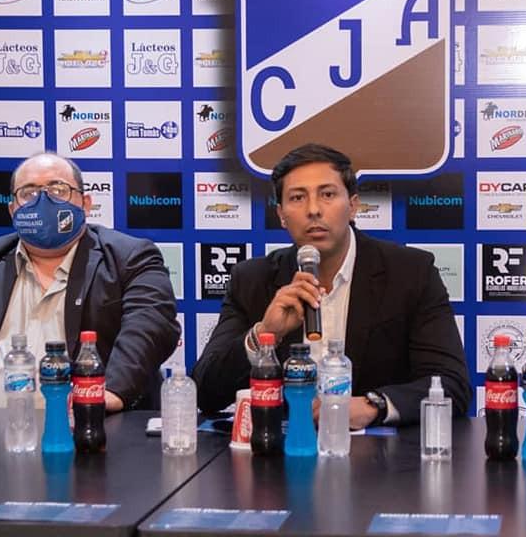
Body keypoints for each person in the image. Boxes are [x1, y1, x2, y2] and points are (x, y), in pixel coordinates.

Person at [193, 144, 470, 428]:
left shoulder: (411, 273)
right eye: (297, 197)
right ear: (281, 215)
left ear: (353, 206)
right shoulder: (252, 280)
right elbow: (205, 393)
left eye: (327, 194)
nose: (313, 210)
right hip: (283, 450)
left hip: (379, 453)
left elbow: (452, 385)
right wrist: (266, 335)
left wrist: (374, 405)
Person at [0, 153, 180, 412]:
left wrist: (110, 391)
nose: (43, 201)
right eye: (28, 193)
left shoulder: (130, 257)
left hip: (82, 428)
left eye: (58, 189)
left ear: (85, 203)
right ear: (12, 210)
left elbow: (150, 325)